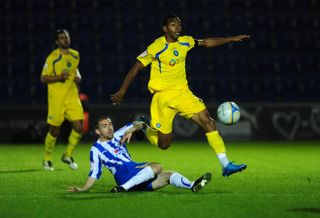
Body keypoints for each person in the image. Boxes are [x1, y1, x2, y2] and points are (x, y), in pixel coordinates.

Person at [111, 14, 249, 177]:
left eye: (179, 25)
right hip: (163, 99)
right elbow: (136, 68)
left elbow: (207, 42)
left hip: (184, 94)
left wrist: (231, 39)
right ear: (165, 29)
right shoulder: (156, 47)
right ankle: (144, 127)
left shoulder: (186, 41)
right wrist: (122, 91)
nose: (177, 28)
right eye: (173, 25)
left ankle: (226, 164)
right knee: (164, 145)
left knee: (208, 122)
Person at [68, 116, 212, 193]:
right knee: (157, 166)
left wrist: (132, 129)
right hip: (123, 174)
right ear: (98, 131)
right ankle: (123, 188)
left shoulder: (120, 134)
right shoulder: (96, 149)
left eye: (110, 124)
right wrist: (84, 188)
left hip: (135, 172)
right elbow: (94, 173)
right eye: (104, 126)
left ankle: (192, 185)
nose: (109, 128)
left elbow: (141, 123)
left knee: (168, 175)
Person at [41, 29, 84, 171]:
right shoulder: (52, 58)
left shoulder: (75, 55)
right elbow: (43, 78)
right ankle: (47, 159)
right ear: (57, 41)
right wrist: (59, 77)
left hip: (72, 96)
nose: (65, 39)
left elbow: (75, 70)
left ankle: (68, 155)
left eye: (66, 37)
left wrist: (78, 76)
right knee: (55, 130)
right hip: (57, 98)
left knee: (79, 126)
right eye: (62, 38)